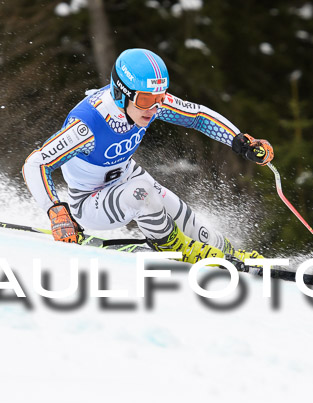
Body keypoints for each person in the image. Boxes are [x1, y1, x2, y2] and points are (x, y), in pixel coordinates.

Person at [22, 48, 273, 264]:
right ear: (121, 93)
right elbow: (36, 164)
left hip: (126, 177)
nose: (154, 109)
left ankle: (230, 255)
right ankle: (174, 249)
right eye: (145, 100)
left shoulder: (147, 101)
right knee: (143, 192)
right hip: (89, 202)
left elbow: (197, 116)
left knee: (186, 219)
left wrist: (239, 140)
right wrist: (56, 212)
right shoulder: (87, 126)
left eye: (159, 98)